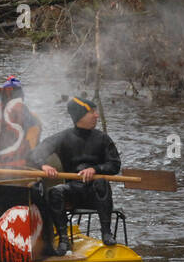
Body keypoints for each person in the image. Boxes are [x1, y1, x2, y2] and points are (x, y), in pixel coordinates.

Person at [29, 96, 122, 252]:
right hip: (72, 191)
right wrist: (43, 166)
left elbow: (114, 165)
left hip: (95, 193)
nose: (96, 115)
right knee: (55, 192)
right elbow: (35, 154)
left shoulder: (102, 139)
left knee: (102, 183)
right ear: (80, 116)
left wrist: (96, 169)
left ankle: (106, 233)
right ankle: (64, 240)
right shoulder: (63, 138)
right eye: (92, 112)